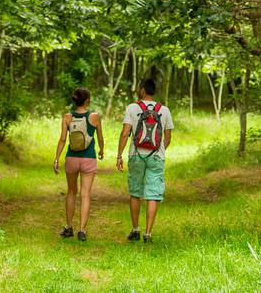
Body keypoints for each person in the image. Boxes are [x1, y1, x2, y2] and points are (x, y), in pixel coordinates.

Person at [116, 78, 174, 243]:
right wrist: (158, 151)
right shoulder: (164, 110)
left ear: (142, 90)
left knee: (135, 193)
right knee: (153, 195)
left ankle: (135, 230)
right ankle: (148, 234)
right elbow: (168, 137)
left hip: (136, 156)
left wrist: (119, 155)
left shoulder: (132, 108)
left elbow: (125, 133)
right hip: (156, 156)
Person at [53, 87, 104, 242]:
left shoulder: (67, 117)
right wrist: (101, 150)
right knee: (85, 194)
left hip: (71, 159)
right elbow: (100, 137)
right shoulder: (95, 117)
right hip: (88, 159)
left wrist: (56, 158)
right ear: (87, 100)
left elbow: (62, 139)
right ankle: (82, 230)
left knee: (71, 192)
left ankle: (69, 227)